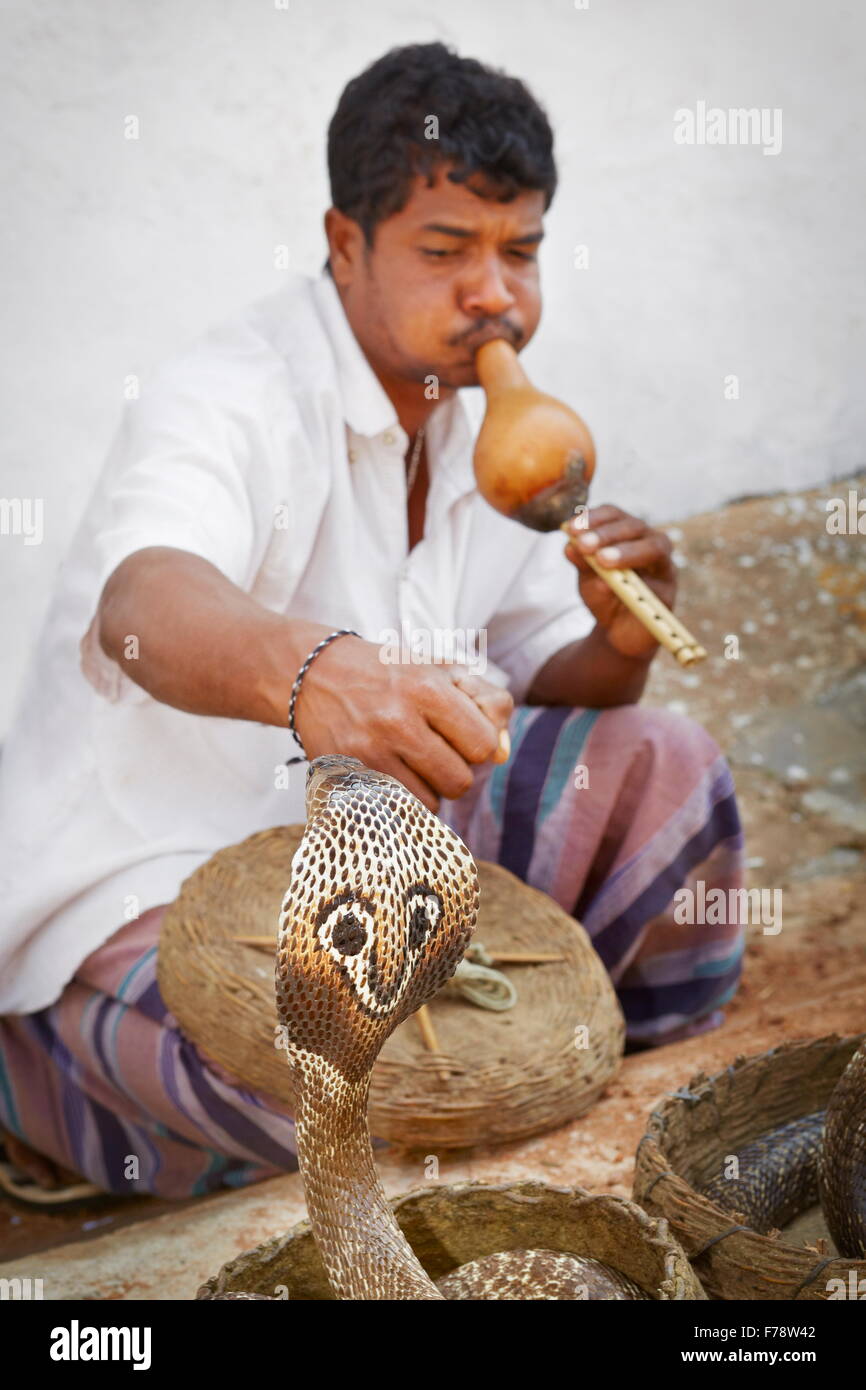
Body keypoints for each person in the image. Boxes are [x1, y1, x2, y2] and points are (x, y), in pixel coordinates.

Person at [0, 42, 744, 1201]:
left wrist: (617, 640)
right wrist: (315, 673)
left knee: (669, 768)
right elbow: (141, 601)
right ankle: (40, 1082)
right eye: (445, 252)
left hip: (378, 875)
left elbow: (542, 674)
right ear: (345, 246)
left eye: (520, 252)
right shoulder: (229, 391)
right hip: (161, 879)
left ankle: (622, 1109)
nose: (493, 294)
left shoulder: (493, 421)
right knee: (311, 1075)